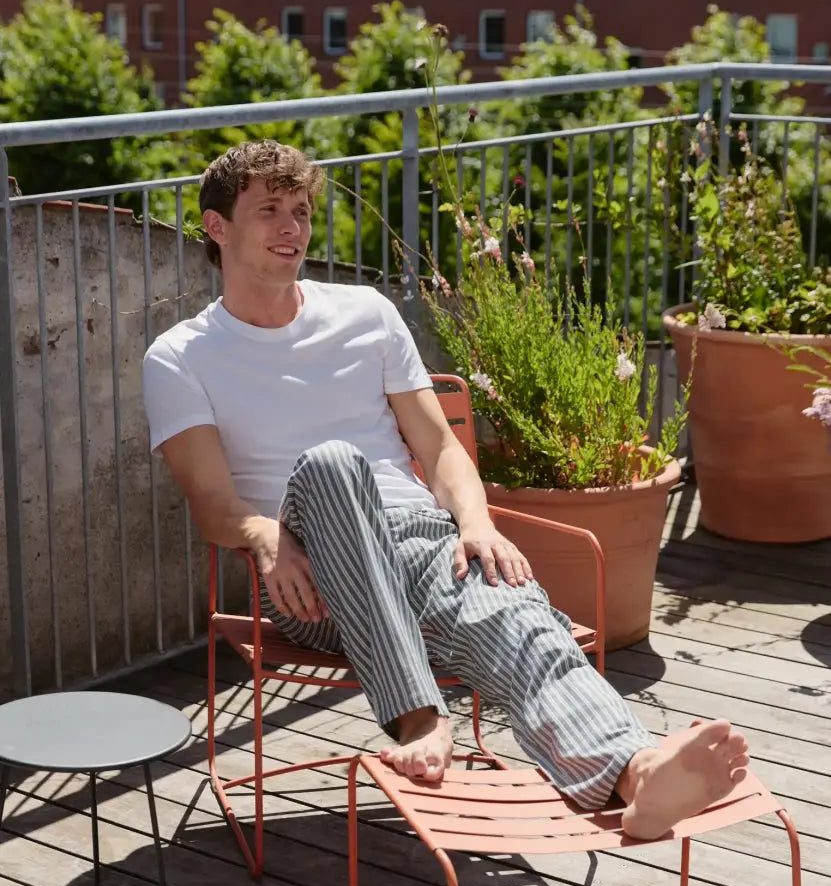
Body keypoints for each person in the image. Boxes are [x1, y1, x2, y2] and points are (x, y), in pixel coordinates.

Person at [143, 140, 750, 841]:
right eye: (269, 211)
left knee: (517, 618)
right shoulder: (181, 356)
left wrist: (475, 524)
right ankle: (417, 717)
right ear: (216, 228)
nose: (293, 227)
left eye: (303, 210)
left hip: (424, 547)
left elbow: (438, 448)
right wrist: (265, 538)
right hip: (311, 575)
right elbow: (212, 502)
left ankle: (637, 773)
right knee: (337, 463)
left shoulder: (364, 315)